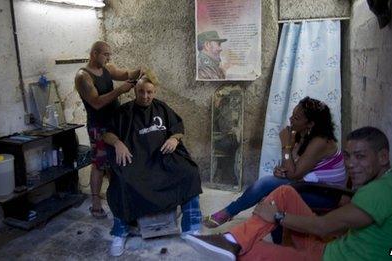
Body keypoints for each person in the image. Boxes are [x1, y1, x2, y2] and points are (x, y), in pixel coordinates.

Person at [185, 126, 392, 260]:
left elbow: (324, 226)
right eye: (348, 156)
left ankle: (234, 242)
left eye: (360, 157)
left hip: (327, 257)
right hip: (335, 248)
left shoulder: (379, 192)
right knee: (283, 193)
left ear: (383, 157)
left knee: (243, 254)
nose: (350, 164)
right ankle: (233, 238)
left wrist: (278, 217)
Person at [204, 97, 346, 232]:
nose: (290, 120)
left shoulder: (320, 141)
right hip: (307, 185)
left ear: (311, 124)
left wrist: (285, 145)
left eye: (296, 118)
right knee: (268, 190)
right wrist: (281, 170)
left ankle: (229, 216)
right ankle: (233, 218)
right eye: (292, 115)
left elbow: (293, 173)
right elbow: (289, 166)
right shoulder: (302, 135)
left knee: (267, 189)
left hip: (325, 195)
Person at [102, 73, 202, 256]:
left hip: (162, 158)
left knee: (190, 172)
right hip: (136, 161)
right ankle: (120, 233)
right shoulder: (124, 112)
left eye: (149, 92)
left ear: (154, 92)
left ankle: (191, 227)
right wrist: (117, 143)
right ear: (135, 90)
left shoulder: (161, 107)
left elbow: (178, 128)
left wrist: (174, 138)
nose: (145, 96)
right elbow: (106, 133)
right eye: (141, 92)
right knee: (121, 182)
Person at [74, 41, 141, 219]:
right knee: (99, 163)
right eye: (105, 54)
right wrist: (120, 90)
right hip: (98, 125)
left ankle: (115, 195)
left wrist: (142, 71)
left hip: (114, 123)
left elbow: (126, 73)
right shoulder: (83, 76)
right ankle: (95, 203)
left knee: (114, 162)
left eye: (109, 54)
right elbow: (96, 103)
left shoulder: (107, 68)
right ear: (94, 53)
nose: (108, 58)